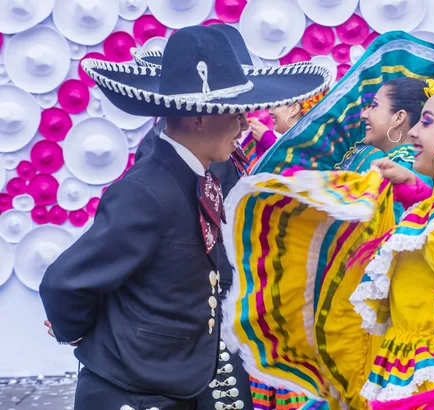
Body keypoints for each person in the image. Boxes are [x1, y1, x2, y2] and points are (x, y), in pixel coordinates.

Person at [221, 81, 434, 410]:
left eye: (427, 122)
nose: (414, 131)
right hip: (410, 361)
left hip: (428, 379)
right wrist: (416, 189)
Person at [39, 25, 329, 410]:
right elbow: (65, 283)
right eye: (235, 113)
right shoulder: (146, 191)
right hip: (136, 388)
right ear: (199, 118)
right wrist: (84, 334)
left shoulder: (195, 173)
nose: (245, 124)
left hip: (179, 378)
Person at [242, 91, 327, 172]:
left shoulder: (318, 146)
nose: (270, 111)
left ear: (294, 109)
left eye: (276, 104)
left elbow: (299, 176)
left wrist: (270, 143)